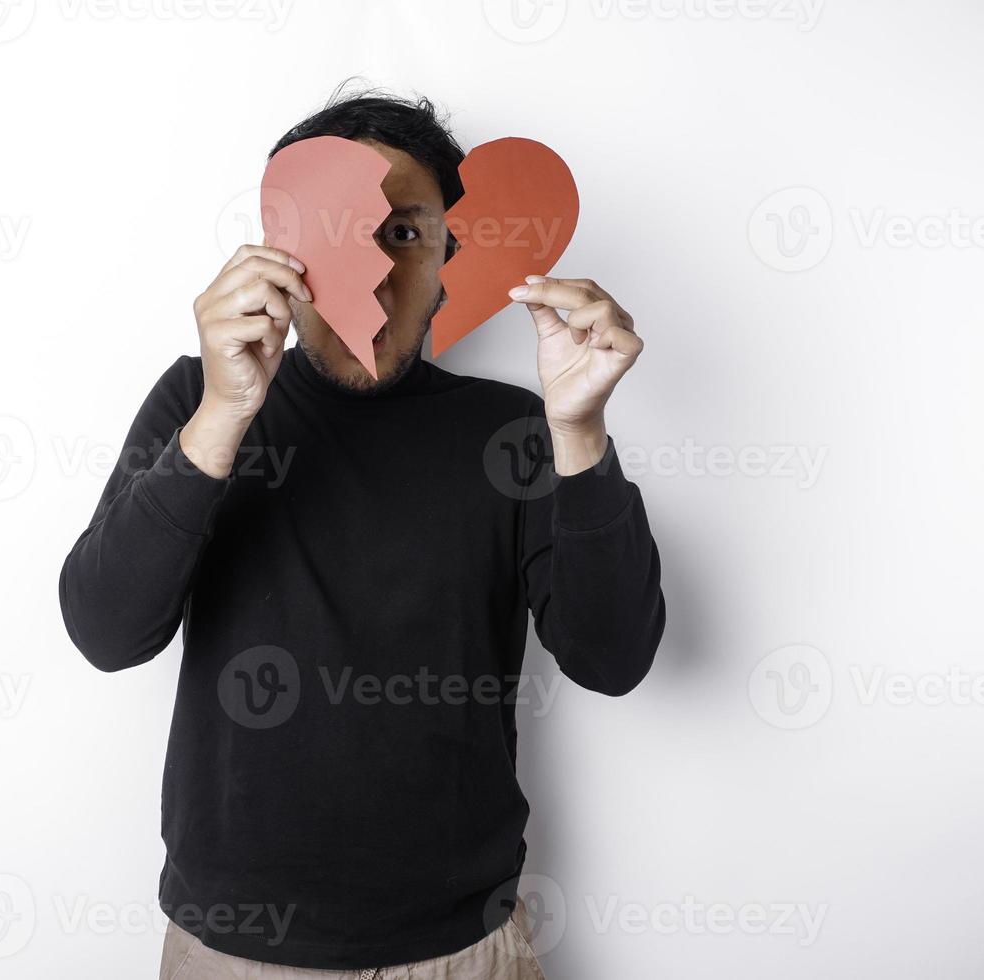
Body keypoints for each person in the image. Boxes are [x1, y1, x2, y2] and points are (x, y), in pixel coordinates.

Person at [59, 88, 665, 979]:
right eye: (336, 230)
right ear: (279, 252)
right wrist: (227, 413)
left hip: (465, 945)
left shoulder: (516, 434)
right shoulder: (197, 402)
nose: (376, 271)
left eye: (407, 232)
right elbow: (106, 632)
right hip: (237, 947)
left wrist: (579, 432)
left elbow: (613, 659)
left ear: (449, 255)